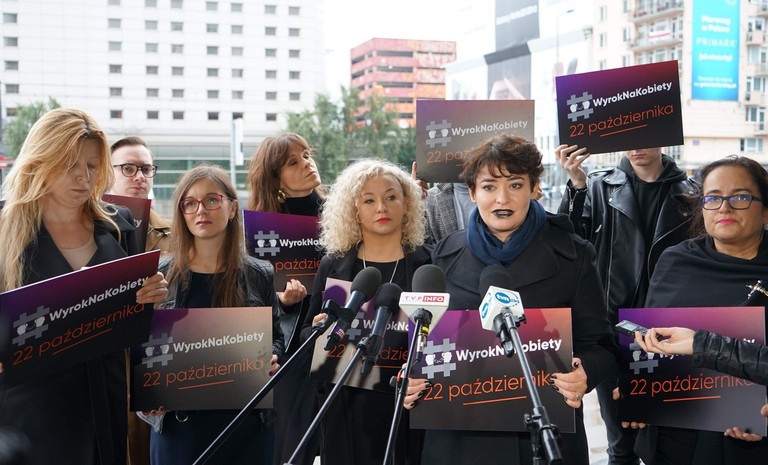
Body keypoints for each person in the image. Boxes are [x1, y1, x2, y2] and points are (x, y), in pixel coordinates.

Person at [405, 134, 617, 465]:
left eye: (515, 185)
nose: (502, 198)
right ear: (473, 193)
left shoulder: (574, 255)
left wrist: (585, 373)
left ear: (535, 188)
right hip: (458, 438)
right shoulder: (443, 257)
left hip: (543, 438)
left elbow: (602, 346)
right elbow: (422, 346)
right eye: (489, 186)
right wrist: (410, 378)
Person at [0, 108, 168, 465]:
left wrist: (150, 296)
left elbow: (133, 318)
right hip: (31, 407)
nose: (84, 177)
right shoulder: (4, 228)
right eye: (70, 165)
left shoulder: (119, 223)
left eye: (92, 166)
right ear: (41, 160)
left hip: (105, 400)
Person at [556, 144, 698, 465]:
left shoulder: (691, 193)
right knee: (622, 444)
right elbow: (568, 243)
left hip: (671, 334)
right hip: (615, 330)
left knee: (673, 440)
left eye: (646, 136)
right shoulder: (597, 185)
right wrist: (576, 184)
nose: (636, 147)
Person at [626, 155, 768, 464]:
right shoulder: (674, 260)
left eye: (741, 197)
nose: (725, 208)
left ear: (765, 210)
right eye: (713, 198)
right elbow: (649, 341)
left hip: (748, 442)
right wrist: (634, 391)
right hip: (672, 436)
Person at [147, 164, 293, 465]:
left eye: (212, 200)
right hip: (179, 429)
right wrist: (149, 395)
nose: (201, 210)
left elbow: (276, 338)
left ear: (232, 208)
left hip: (246, 425)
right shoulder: (159, 275)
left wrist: (273, 357)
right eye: (190, 203)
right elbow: (143, 347)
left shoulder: (260, 273)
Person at [301, 158, 429, 465]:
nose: (381, 207)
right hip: (345, 406)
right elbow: (306, 336)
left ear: (407, 204)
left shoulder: (428, 265)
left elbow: (444, 339)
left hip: (408, 406)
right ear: (354, 210)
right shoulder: (333, 265)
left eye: (391, 197)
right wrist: (318, 330)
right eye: (369, 200)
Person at [246, 133, 319, 465]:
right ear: (274, 179)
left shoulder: (342, 213)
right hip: (291, 352)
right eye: (293, 161)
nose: (306, 163)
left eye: (306, 155)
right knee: (294, 445)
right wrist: (283, 300)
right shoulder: (258, 229)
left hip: (341, 340)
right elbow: (249, 299)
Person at [110, 136, 171, 254]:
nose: (140, 177)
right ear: (108, 173)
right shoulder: (87, 227)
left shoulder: (176, 233)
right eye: (128, 168)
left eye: (146, 169)